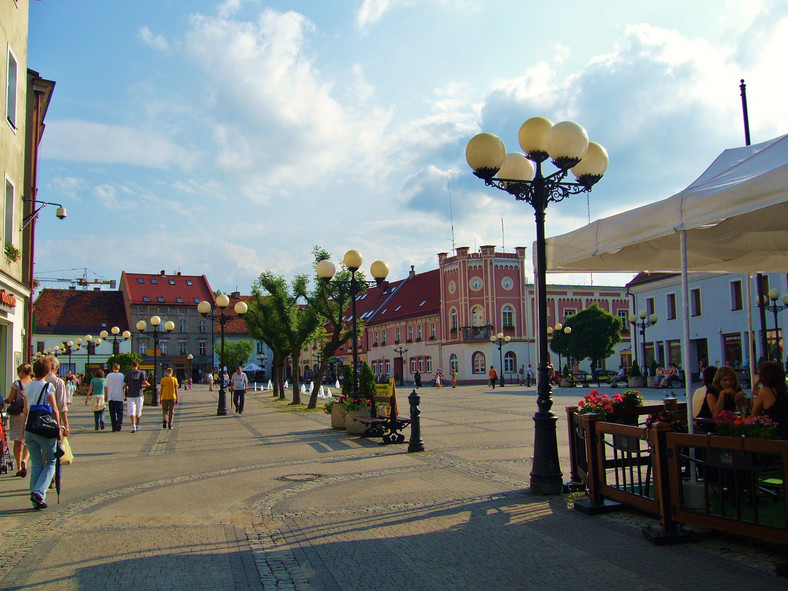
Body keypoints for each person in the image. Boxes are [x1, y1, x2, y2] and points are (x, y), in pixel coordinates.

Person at [23, 357, 62, 510]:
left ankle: (35, 498)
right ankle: (39, 493)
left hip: (30, 428)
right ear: (47, 370)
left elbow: (26, 410)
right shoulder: (48, 387)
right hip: (44, 428)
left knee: (36, 463)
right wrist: (58, 428)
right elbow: (54, 409)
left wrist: (23, 431)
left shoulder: (28, 387)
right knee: (51, 461)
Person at [6, 363, 32, 477]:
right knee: (28, 440)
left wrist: (5, 400)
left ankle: (18, 467)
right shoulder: (33, 383)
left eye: (18, 372)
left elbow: (11, 399)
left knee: (17, 440)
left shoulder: (17, 384)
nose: (18, 374)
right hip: (31, 414)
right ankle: (25, 461)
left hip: (18, 415)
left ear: (22, 372)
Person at [751, 361, 788, 440]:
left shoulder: (766, 391)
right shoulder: (785, 391)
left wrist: (755, 386)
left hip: (775, 435)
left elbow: (754, 415)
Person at [123, 360, 149, 433]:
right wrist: (148, 384)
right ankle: (137, 425)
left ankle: (133, 426)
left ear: (131, 366)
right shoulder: (141, 373)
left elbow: (125, 384)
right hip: (139, 394)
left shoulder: (128, 373)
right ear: (138, 365)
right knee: (139, 410)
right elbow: (144, 381)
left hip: (130, 394)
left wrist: (124, 392)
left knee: (132, 411)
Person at [104, 363, 125, 431]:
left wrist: (106, 396)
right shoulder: (122, 375)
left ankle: (114, 427)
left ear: (112, 368)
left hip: (111, 397)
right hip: (119, 396)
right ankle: (119, 421)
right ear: (119, 369)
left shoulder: (109, 375)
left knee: (112, 413)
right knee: (120, 411)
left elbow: (106, 387)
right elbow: (123, 386)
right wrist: (123, 394)